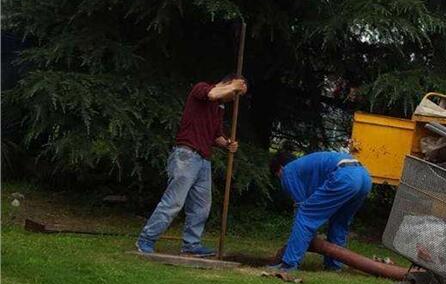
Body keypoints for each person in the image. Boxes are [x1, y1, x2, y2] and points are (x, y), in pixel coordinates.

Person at [136, 75, 248, 256]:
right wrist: (233, 86)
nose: (235, 99)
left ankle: (191, 245)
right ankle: (146, 239)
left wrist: (227, 144)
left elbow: (215, 136)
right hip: (186, 154)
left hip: (203, 159)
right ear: (228, 84)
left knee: (201, 206)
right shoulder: (201, 88)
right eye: (236, 94)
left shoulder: (218, 108)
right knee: (174, 201)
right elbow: (211, 94)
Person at [267, 151, 372, 273]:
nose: (281, 180)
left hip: (345, 176)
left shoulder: (288, 171)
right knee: (339, 222)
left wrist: (303, 236)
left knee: (304, 215)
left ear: (280, 168)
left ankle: (288, 265)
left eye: (277, 175)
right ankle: (333, 266)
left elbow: (302, 209)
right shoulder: (307, 165)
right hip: (364, 177)